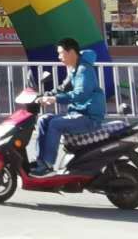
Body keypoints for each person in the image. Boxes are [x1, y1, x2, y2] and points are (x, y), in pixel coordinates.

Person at [29, 37, 107, 176]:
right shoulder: (74, 69)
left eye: (61, 53)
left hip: (89, 117)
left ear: (71, 52)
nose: (59, 57)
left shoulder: (84, 70)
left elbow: (81, 94)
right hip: (77, 114)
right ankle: (40, 161)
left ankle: (47, 164)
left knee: (55, 124)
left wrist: (55, 99)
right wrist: (44, 95)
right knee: (43, 119)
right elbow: (63, 88)